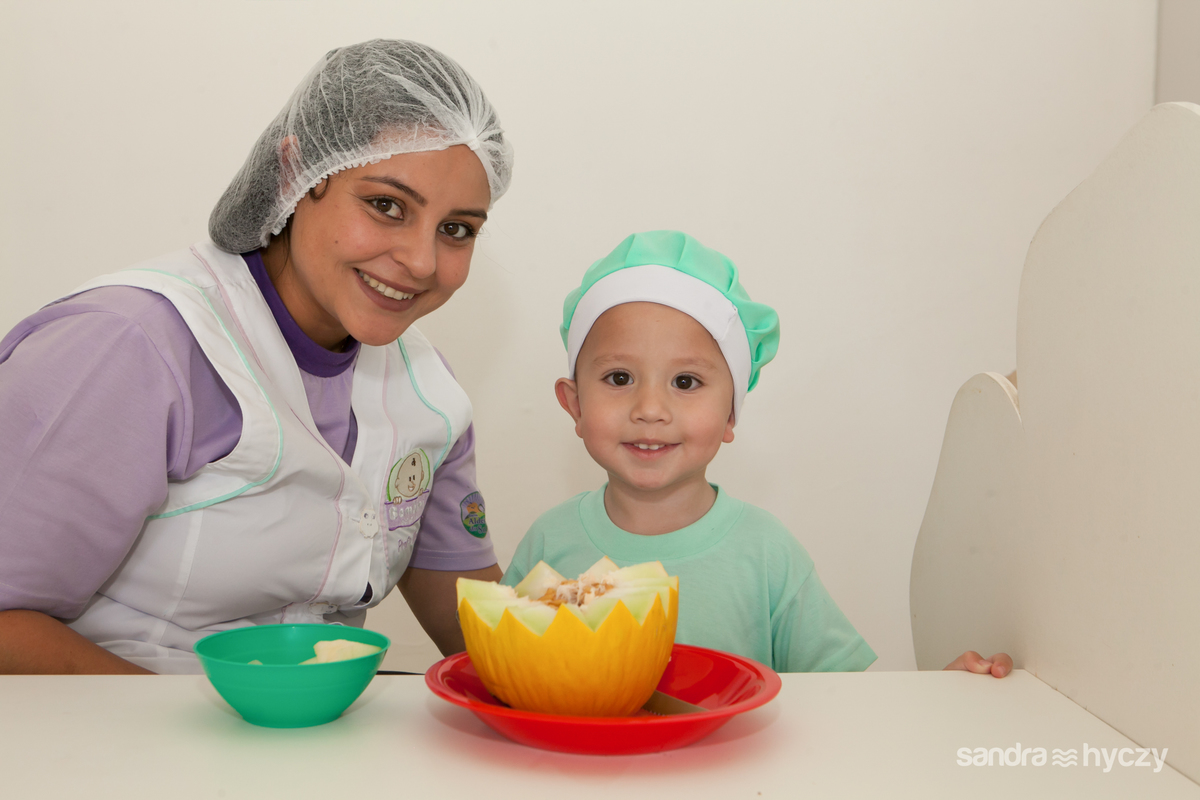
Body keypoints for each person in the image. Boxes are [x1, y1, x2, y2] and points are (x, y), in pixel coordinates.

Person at [0, 40, 513, 674]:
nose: (421, 261)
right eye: (386, 205)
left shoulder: (426, 390)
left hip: (306, 725)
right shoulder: (128, 347)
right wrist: (201, 725)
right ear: (297, 173)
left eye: (457, 229)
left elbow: (484, 631)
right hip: (113, 729)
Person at [501, 230, 1011, 676]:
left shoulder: (767, 554)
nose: (650, 409)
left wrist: (938, 694)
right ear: (574, 404)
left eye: (685, 382)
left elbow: (849, 697)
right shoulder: (549, 541)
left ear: (731, 414)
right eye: (619, 378)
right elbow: (502, 669)